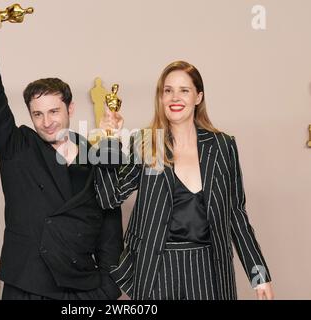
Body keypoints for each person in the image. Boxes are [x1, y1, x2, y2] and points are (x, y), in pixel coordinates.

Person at [0, 8, 123, 300]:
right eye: (37, 114)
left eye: (54, 111)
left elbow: (109, 229)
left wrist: (108, 288)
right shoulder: (18, 147)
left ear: (71, 109)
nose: (47, 121)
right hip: (25, 284)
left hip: (79, 286)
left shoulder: (97, 156)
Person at [95, 60, 274, 300]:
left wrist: (259, 276)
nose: (174, 98)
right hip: (157, 271)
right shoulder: (146, 142)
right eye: (167, 90)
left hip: (209, 270)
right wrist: (109, 139)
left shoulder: (223, 146)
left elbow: (236, 216)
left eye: (184, 90)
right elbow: (109, 197)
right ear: (161, 97)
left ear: (198, 97)